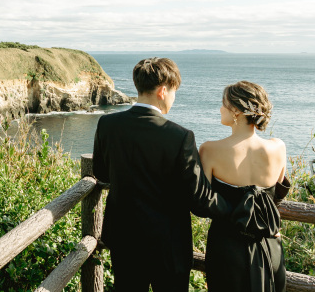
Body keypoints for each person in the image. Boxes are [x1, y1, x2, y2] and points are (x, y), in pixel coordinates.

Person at [92, 57, 231, 292]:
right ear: (163, 91)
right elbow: (198, 200)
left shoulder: (107, 124)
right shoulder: (180, 136)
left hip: (124, 239)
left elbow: (101, 173)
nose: (174, 98)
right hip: (169, 246)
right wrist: (237, 206)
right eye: (174, 92)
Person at [199, 81, 290, 292]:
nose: (220, 109)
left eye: (223, 104)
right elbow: (275, 197)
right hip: (269, 245)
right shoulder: (278, 147)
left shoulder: (210, 150)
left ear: (236, 111)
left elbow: (203, 201)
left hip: (227, 248)